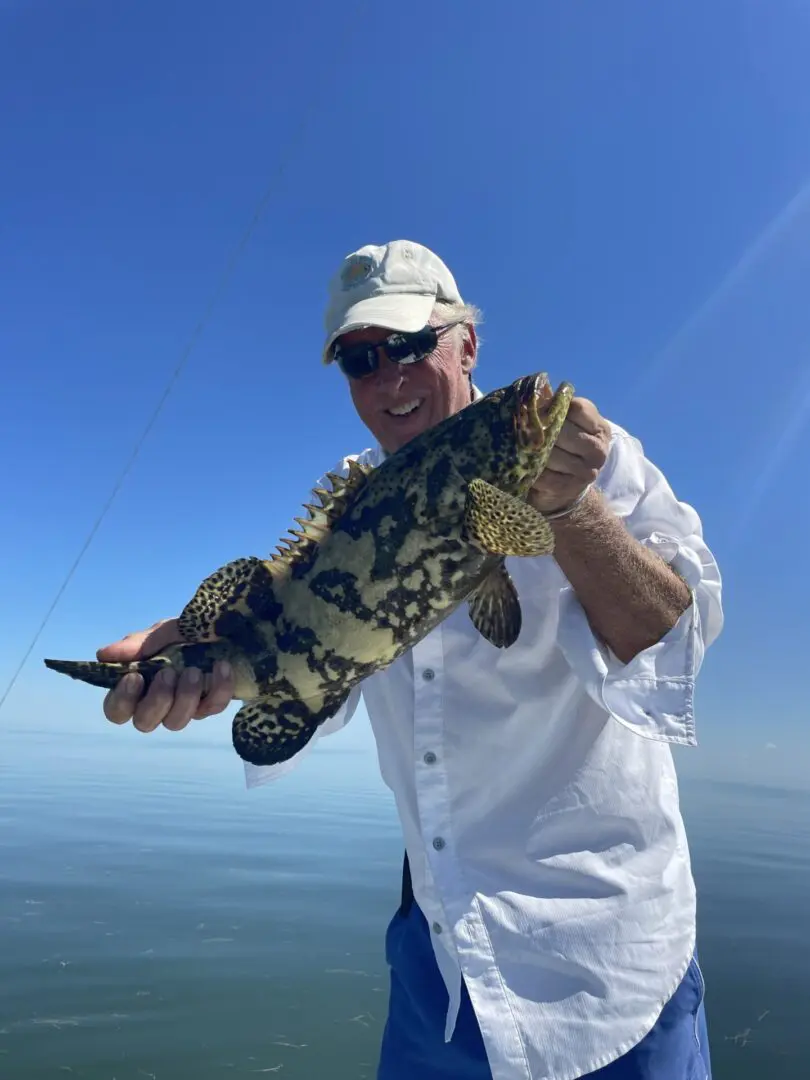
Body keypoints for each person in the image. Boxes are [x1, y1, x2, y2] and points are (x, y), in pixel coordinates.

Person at [97, 240, 724, 1080]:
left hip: (608, 967)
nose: (387, 377)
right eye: (361, 359)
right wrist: (201, 662)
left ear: (467, 343)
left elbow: (673, 639)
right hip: (438, 966)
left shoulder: (593, 455)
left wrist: (571, 508)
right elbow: (315, 663)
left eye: (409, 345)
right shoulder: (355, 491)